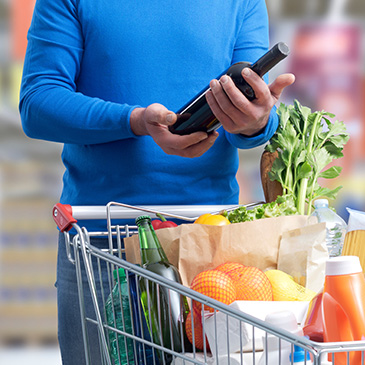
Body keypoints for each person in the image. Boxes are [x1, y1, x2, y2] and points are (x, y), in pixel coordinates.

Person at [19, 0, 295, 363]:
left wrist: (255, 121)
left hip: (211, 253)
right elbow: (38, 103)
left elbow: (251, 124)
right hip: (101, 246)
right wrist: (133, 121)